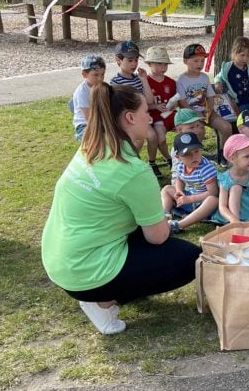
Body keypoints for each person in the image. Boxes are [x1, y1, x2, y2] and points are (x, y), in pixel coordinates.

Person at [41, 84, 200, 335]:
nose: (150, 117)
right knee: (191, 259)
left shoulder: (90, 147)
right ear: (129, 117)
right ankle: (103, 302)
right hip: (86, 271)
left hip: (60, 260)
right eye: (146, 111)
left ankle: (105, 290)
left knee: (147, 237)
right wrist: (162, 216)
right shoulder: (133, 170)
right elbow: (157, 236)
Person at [177, 43, 232, 164]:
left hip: (207, 112)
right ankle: (196, 159)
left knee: (227, 127)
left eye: (202, 61)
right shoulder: (181, 80)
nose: (200, 64)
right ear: (185, 61)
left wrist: (210, 109)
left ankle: (224, 156)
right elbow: (182, 101)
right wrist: (195, 113)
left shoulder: (204, 77)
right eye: (196, 61)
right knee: (199, 131)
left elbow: (210, 96)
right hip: (191, 116)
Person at [110, 40, 159, 164]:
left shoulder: (138, 80)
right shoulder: (115, 83)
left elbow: (149, 100)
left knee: (152, 137)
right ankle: (132, 163)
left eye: (136, 60)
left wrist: (144, 80)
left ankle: (151, 163)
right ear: (118, 60)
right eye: (130, 60)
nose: (134, 64)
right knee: (137, 140)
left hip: (140, 117)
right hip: (126, 120)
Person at [161, 132, 219, 233]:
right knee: (167, 189)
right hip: (190, 199)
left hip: (204, 203)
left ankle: (179, 225)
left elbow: (213, 192)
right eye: (187, 154)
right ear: (178, 157)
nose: (194, 156)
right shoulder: (180, 166)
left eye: (196, 151)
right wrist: (179, 191)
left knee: (213, 200)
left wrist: (190, 199)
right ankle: (165, 215)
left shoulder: (206, 169)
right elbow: (179, 180)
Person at [144, 46, 175, 176]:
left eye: (165, 64)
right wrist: (155, 107)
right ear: (149, 64)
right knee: (160, 139)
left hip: (170, 115)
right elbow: (144, 104)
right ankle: (163, 160)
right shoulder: (145, 81)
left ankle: (185, 158)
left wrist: (173, 105)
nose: (163, 67)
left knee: (191, 128)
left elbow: (175, 99)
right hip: (155, 117)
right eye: (158, 63)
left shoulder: (171, 82)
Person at [72, 54, 106, 141]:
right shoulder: (82, 92)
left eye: (102, 74)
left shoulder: (102, 87)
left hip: (99, 122)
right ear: (84, 74)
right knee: (96, 141)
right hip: (84, 125)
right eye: (96, 75)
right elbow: (88, 117)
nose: (100, 78)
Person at [169, 108, 207, 184]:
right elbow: (176, 172)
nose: (197, 130)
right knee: (167, 190)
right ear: (179, 130)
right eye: (191, 127)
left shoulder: (195, 139)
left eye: (197, 125)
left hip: (200, 178)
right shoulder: (178, 149)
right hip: (185, 183)